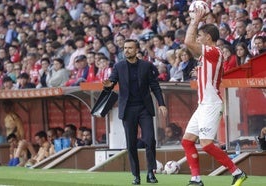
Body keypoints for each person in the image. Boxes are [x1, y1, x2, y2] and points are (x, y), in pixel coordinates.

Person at [182, 8, 247, 186]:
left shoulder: (213, 51)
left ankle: (237, 172)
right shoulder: (208, 55)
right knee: (187, 141)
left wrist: (195, 20)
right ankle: (196, 178)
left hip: (211, 104)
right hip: (203, 104)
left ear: (208, 38)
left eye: (200, 36)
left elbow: (188, 41)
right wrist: (200, 71)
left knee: (207, 144)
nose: (198, 39)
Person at [103, 39, 167, 185]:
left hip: (144, 108)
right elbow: (111, 82)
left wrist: (161, 103)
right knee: (131, 144)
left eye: (130, 48)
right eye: (125, 48)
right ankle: (136, 176)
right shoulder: (118, 67)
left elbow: (155, 86)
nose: (127, 50)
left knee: (150, 140)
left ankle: (151, 172)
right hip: (128, 110)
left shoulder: (146, 66)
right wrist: (108, 86)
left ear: (137, 49)